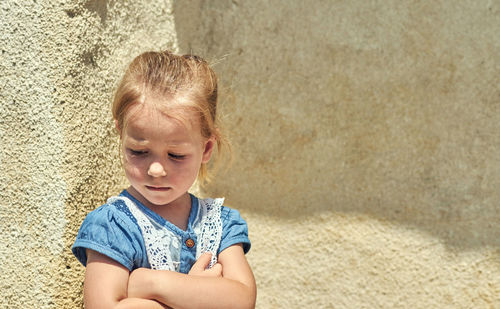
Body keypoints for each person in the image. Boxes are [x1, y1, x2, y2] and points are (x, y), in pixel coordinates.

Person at [72, 50, 256, 308]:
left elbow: (241, 300)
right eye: (139, 151)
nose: (156, 169)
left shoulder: (220, 224)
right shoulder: (115, 225)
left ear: (205, 149)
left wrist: (152, 284)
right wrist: (198, 297)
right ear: (121, 134)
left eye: (176, 155)